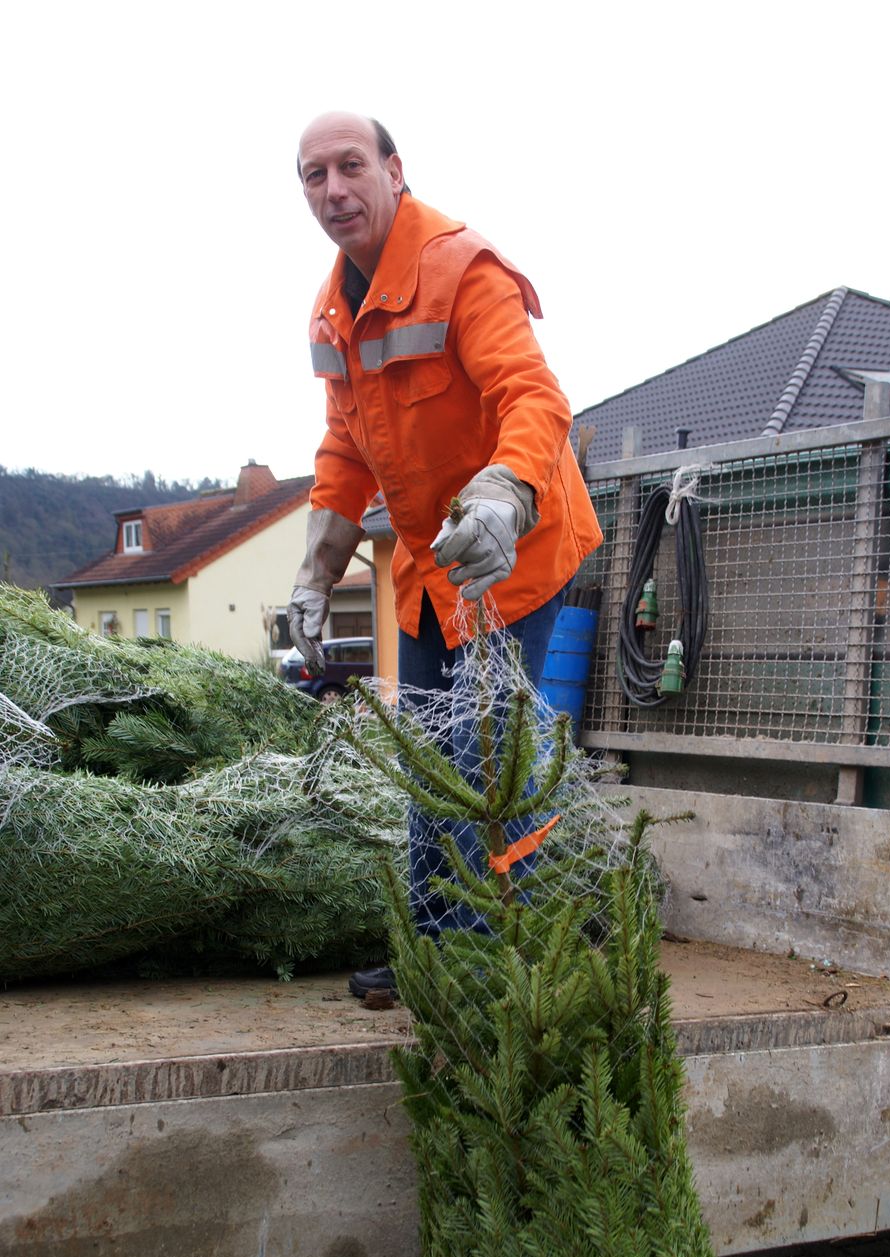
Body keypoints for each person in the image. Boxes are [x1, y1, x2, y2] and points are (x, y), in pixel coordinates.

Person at [287, 112, 602, 995]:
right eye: (313, 176)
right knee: (431, 757)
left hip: (518, 553)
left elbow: (534, 397)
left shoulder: (463, 268)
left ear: (394, 170)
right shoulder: (330, 311)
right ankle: (433, 946)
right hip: (429, 574)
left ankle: (503, 951)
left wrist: (503, 494)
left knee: (491, 761)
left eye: (351, 166)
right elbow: (345, 452)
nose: (333, 190)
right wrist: (316, 573)